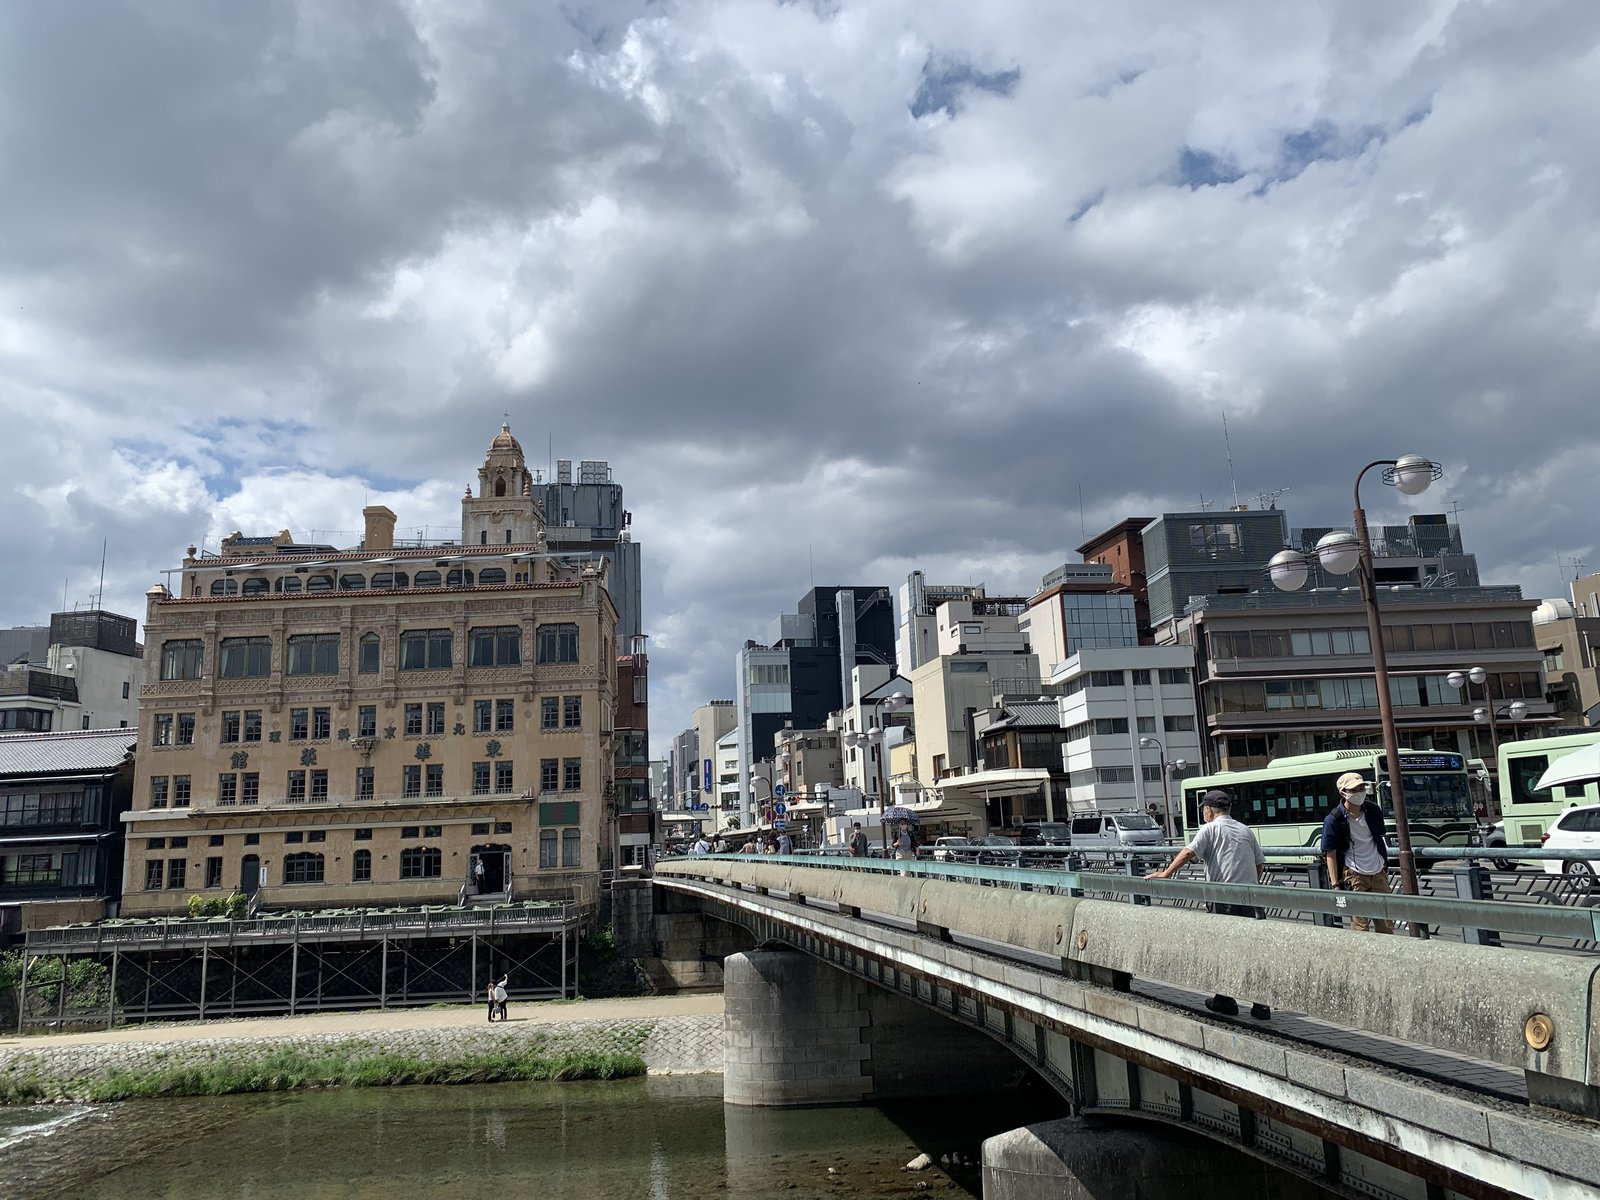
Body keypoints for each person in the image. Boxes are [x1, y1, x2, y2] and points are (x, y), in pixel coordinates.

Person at [1145, 789, 1270, 1020]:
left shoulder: (1210, 829)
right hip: (1251, 899)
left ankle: (1225, 1000)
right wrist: (1250, 885)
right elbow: (1259, 865)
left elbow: (1188, 852)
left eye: (1204, 808)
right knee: (1251, 949)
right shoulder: (1245, 830)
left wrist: (1166, 873)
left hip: (1223, 899)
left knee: (1224, 949)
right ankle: (1261, 1005)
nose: (1204, 812)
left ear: (1210, 810)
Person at [1321, 771, 1394, 935]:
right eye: (1354, 790)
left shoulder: (1373, 811)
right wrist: (1335, 885)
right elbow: (1330, 853)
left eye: (1362, 788)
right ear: (1343, 793)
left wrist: (1384, 866)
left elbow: (1379, 837)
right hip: (1354, 874)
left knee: (1386, 924)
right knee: (1360, 925)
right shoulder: (1334, 819)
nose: (1359, 793)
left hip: (1378, 871)